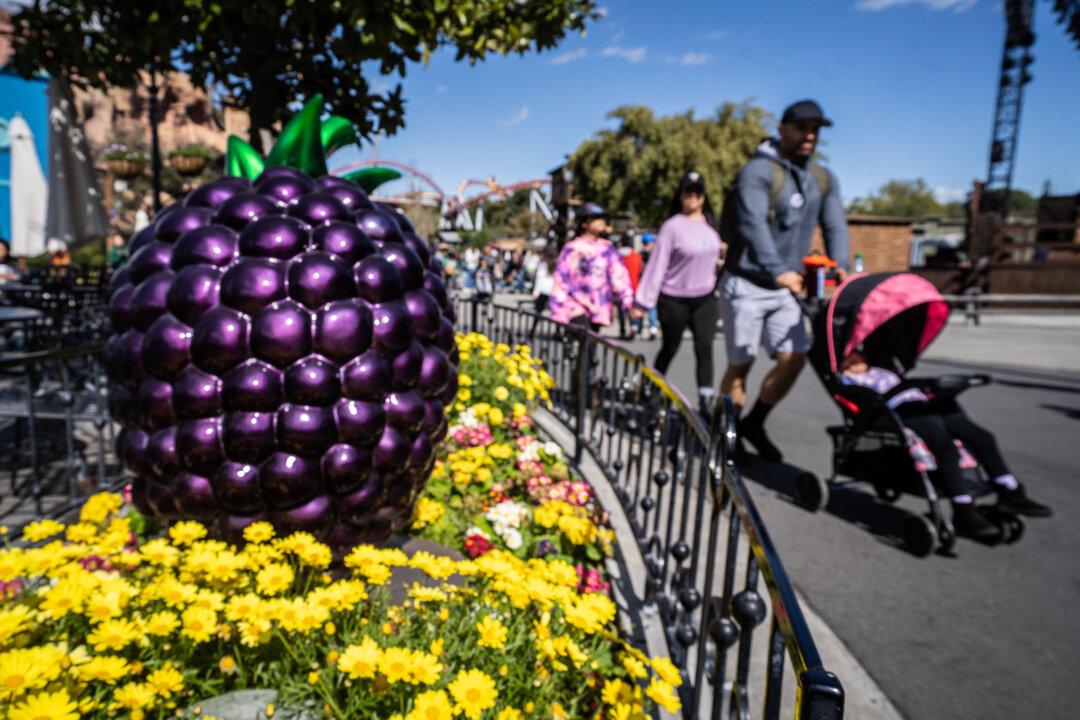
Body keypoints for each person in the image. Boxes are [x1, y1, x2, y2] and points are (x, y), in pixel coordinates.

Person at [719, 99, 849, 462]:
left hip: (784, 288)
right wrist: (777, 269)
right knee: (740, 362)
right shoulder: (758, 171)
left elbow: (834, 223)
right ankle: (726, 432)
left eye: (816, 130)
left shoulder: (822, 178)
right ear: (782, 129)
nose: (810, 135)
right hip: (747, 282)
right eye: (802, 128)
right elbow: (752, 224)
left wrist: (841, 266)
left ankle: (754, 422)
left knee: (796, 355)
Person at [840, 352, 1051, 540]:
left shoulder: (883, 371)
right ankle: (963, 508)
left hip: (925, 402)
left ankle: (1009, 489)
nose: (859, 358)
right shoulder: (850, 380)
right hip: (900, 410)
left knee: (982, 437)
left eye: (860, 355)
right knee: (945, 446)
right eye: (852, 357)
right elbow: (867, 402)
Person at [634, 172, 726, 414]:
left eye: (698, 193)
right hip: (674, 297)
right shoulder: (672, 226)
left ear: (704, 197)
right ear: (681, 196)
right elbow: (657, 265)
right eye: (688, 192)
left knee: (704, 347)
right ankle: (652, 387)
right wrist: (643, 302)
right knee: (670, 347)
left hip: (704, 297)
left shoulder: (711, 227)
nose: (693, 197)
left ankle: (706, 400)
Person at [549, 202, 633, 333]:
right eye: (595, 218)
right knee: (584, 339)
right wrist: (557, 307)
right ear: (584, 223)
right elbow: (561, 278)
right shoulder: (572, 248)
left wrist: (627, 299)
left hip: (598, 306)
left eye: (602, 218)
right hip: (574, 305)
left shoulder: (607, 249)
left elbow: (619, 276)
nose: (601, 221)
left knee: (590, 346)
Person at [529, 245, 557, 339]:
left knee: (538, 312)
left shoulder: (543, 263)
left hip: (544, 290)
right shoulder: (556, 263)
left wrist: (536, 291)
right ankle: (557, 333)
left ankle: (532, 332)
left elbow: (540, 278)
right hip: (553, 290)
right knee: (555, 312)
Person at [619, 235, 644, 340]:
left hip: (621, 287)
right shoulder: (636, 256)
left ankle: (623, 330)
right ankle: (636, 327)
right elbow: (640, 271)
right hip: (635, 286)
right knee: (635, 308)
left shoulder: (617, 255)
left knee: (622, 310)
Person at [638, 233, 659, 339]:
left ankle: (643, 329)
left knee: (647, 306)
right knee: (649, 306)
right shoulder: (655, 255)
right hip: (647, 284)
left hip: (645, 284)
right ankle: (651, 327)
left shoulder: (640, 254)